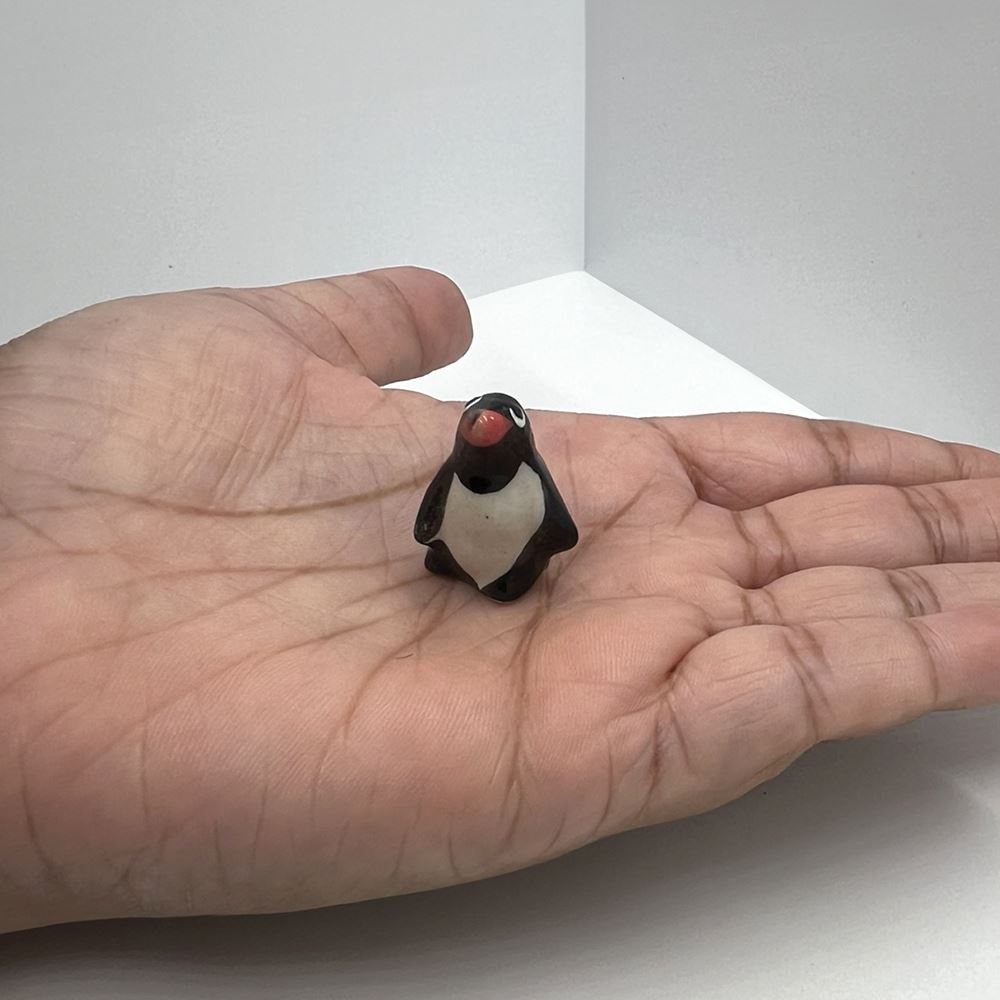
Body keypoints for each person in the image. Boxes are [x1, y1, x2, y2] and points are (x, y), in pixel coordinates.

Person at [1, 266, 998, 934]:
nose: (483, 440)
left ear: (512, 442)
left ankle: (499, 581)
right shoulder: (459, 477)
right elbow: (435, 515)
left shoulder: (528, 484)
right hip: (463, 551)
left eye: (493, 433)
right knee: (461, 554)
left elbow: (551, 523)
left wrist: (543, 548)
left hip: (510, 558)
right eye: (476, 434)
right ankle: (477, 575)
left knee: (502, 563)